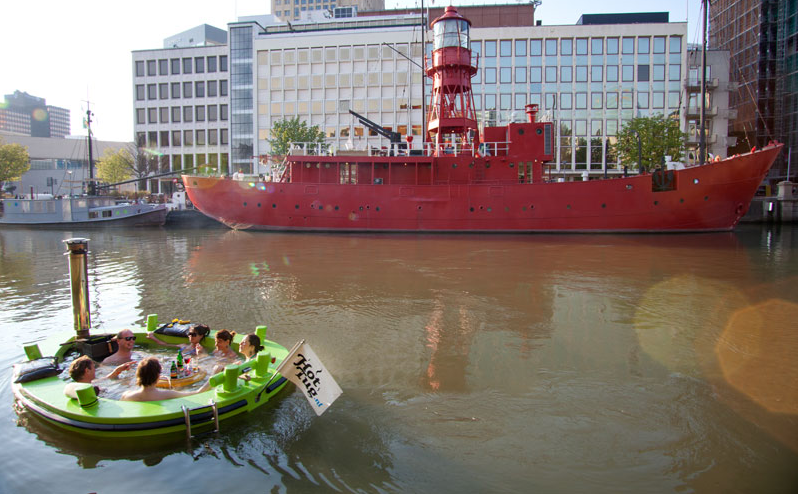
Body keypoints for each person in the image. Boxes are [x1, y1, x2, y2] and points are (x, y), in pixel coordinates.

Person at [121, 357, 210, 402]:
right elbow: (197, 393)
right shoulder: (167, 394)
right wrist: (213, 377)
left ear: (138, 375)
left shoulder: (126, 395)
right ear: (158, 376)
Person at [64, 355, 134, 398]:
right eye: (93, 367)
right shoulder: (93, 391)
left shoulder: (82, 384)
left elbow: (106, 378)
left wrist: (117, 371)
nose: (95, 369)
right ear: (87, 371)